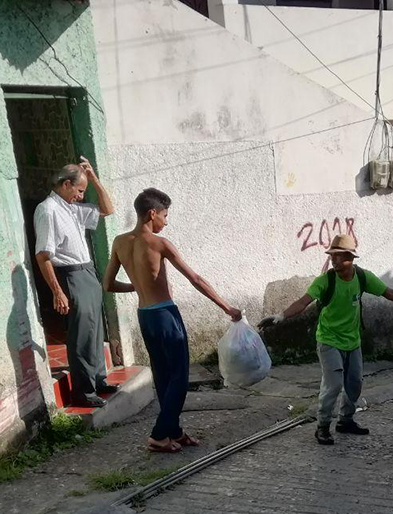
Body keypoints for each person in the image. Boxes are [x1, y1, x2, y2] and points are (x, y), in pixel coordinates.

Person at [102, 188, 242, 453]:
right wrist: (226, 307)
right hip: (166, 315)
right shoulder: (159, 243)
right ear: (152, 213)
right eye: (165, 215)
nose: (166, 222)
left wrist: (135, 287)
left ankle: (174, 431)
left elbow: (107, 284)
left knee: (164, 377)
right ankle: (158, 435)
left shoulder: (120, 242)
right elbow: (196, 279)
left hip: (145, 316)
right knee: (179, 376)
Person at [259, 235, 393, 445]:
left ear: (351, 258)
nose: (334, 260)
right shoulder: (325, 281)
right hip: (329, 340)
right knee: (334, 384)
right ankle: (322, 426)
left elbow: (389, 292)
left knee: (355, 383)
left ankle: (345, 420)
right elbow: (304, 301)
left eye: (339, 257)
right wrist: (280, 317)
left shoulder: (363, 278)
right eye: (332, 256)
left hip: (353, 341)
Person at [34, 158, 117, 408]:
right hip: (70, 274)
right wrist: (57, 291)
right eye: (79, 190)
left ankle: (98, 380)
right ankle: (84, 391)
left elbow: (108, 208)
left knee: (94, 331)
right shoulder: (48, 209)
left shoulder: (72, 208)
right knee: (81, 335)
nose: (81, 196)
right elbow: (43, 255)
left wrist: (92, 179)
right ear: (66, 184)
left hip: (88, 271)